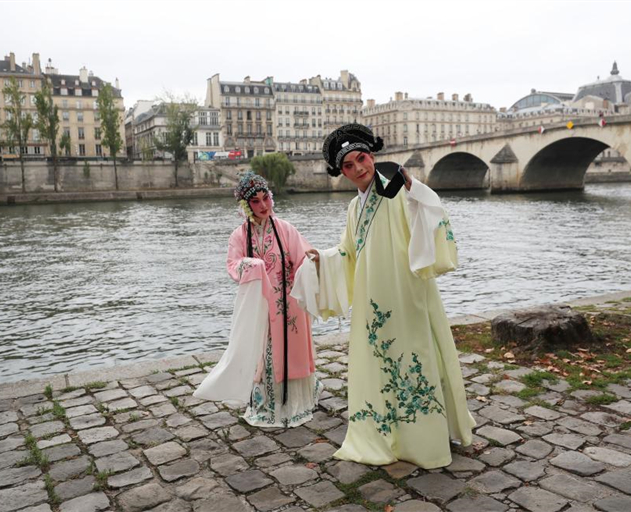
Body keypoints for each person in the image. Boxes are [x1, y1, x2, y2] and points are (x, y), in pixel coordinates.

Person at [300, 124, 476, 469]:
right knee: (380, 361)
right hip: (372, 300)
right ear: (342, 172)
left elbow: (429, 213)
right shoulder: (354, 208)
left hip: (405, 290)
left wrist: (414, 189)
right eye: (348, 166)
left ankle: (425, 438)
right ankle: (386, 432)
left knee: (416, 355)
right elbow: (349, 251)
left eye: (361, 158)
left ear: (372, 156)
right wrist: (325, 259)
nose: (358, 169)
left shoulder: (397, 193)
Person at [194, 171, 322, 428]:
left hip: (290, 304)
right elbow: (232, 265)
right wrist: (250, 264)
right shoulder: (239, 236)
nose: (263, 206)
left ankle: (297, 402)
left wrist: (317, 260)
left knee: (291, 351)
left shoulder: (285, 229)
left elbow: (302, 257)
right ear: (245, 205)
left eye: (266, 198)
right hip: (261, 306)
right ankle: (268, 404)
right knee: (265, 354)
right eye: (256, 201)